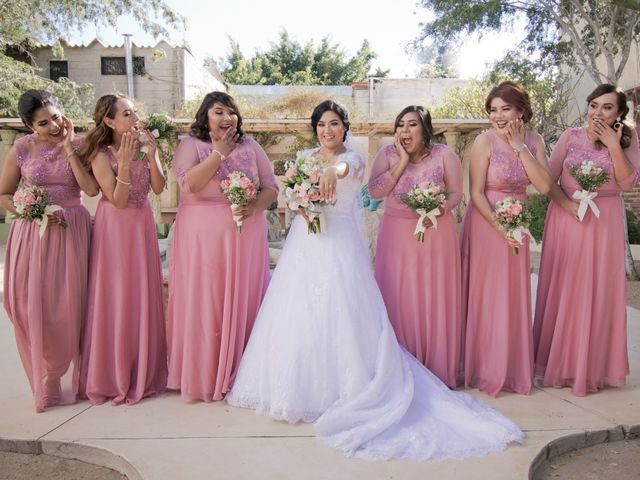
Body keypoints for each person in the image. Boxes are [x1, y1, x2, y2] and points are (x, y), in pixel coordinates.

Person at [227, 100, 523, 461]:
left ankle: (348, 388)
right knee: (297, 312)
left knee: (346, 312)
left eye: (334, 124)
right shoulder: (305, 156)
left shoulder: (355, 158)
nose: (327, 131)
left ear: (344, 127)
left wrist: (330, 173)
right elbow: (290, 196)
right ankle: (295, 389)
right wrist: (300, 203)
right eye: (321, 125)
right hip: (305, 244)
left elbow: (343, 169)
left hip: (340, 244)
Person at [167, 91, 278, 402]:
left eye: (231, 112)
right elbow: (189, 184)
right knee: (207, 299)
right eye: (218, 112)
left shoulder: (251, 145)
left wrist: (256, 206)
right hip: (203, 238)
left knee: (244, 297)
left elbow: (271, 186)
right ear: (205, 116)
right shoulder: (191, 145)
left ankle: (246, 373)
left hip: (247, 235)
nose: (227, 117)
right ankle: (205, 374)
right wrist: (219, 153)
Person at [533, 84, 640, 396]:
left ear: (620, 113)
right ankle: (560, 364)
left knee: (598, 290)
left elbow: (629, 181)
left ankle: (592, 367)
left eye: (607, 107)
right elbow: (547, 179)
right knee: (566, 287)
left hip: (603, 221)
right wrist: (566, 204)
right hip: (567, 219)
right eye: (593, 105)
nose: (597, 112)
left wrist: (613, 145)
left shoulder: (629, 140)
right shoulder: (570, 137)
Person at [0, 90, 98, 412]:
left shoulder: (81, 145)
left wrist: (69, 148)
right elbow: (4, 194)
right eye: (44, 123)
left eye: (56, 116)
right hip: (31, 234)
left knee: (66, 307)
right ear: (31, 126)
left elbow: (89, 188)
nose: (54, 125)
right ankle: (43, 364)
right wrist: (30, 211)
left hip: (71, 231)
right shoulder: (22, 148)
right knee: (24, 304)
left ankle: (54, 376)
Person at [460, 81, 552, 397]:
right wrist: (501, 228)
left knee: (512, 294)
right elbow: (475, 193)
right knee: (487, 294)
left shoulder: (535, 141)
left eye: (505, 109)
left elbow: (543, 186)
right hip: (486, 224)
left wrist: (519, 147)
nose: (498, 116)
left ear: (521, 110)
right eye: (493, 110)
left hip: (518, 224)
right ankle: (483, 366)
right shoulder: (482, 143)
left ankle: (511, 367)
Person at [79, 94, 167, 405]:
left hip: (141, 223)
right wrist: (126, 164)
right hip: (114, 227)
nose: (134, 117)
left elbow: (158, 188)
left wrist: (153, 154)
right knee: (116, 295)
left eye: (134, 111)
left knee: (141, 293)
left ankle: (142, 369)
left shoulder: (143, 147)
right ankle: (114, 375)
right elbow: (115, 200)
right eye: (127, 113)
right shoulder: (101, 154)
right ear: (110, 121)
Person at [368, 105, 463, 388]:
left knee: (433, 295)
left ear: (425, 129)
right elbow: (375, 191)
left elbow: (457, 193)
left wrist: (435, 208)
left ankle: (435, 366)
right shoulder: (387, 154)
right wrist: (402, 161)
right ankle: (397, 367)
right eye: (400, 125)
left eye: (412, 125)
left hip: (435, 230)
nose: (404, 131)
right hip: (396, 234)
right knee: (398, 296)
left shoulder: (445, 155)